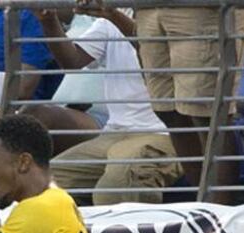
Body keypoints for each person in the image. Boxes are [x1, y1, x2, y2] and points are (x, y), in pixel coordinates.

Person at [36, 3, 181, 204]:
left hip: (164, 134)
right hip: (114, 133)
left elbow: (153, 52)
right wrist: (48, 19)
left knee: (116, 188)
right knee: (39, 187)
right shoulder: (111, 18)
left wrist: (112, 15)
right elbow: (72, 61)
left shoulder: (175, 15)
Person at [135, 2, 240, 203]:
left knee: (207, 114)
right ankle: (201, 204)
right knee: (168, 111)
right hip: (146, 8)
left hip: (198, 10)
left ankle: (218, 214)